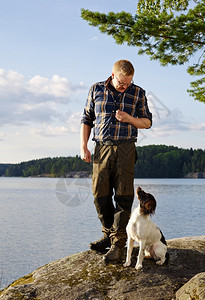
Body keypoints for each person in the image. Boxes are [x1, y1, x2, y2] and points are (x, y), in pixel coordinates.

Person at [80, 59, 152, 263]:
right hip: (101, 148)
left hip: (126, 148)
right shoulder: (96, 89)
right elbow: (86, 119)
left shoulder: (138, 93)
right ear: (112, 75)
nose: (125, 86)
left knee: (123, 197)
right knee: (99, 195)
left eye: (128, 83)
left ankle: (119, 245)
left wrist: (130, 118)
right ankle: (108, 234)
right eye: (122, 82)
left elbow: (147, 122)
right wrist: (83, 146)